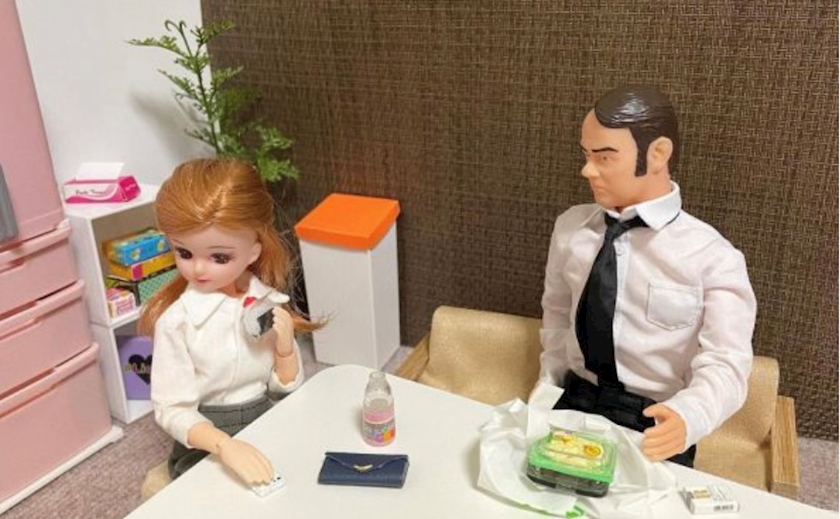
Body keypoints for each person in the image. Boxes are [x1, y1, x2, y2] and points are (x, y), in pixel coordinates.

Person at [537, 85, 756, 467]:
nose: (588, 169)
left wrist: (689, 415)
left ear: (657, 154)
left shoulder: (712, 257)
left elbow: (727, 361)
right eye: (587, 155)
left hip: (654, 422)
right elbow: (556, 314)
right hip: (572, 402)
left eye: (605, 157)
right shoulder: (571, 230)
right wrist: (547, 387)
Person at [138, 158, 319, 485]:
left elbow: (284, 390)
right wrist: (224, 445)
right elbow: (171, 408)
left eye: (219, 257)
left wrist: (285, 351)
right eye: (184, 253)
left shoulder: (267, 302)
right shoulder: (177, 323)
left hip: (265, 419)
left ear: (253, 253)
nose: (198, 269)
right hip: (206, 438)